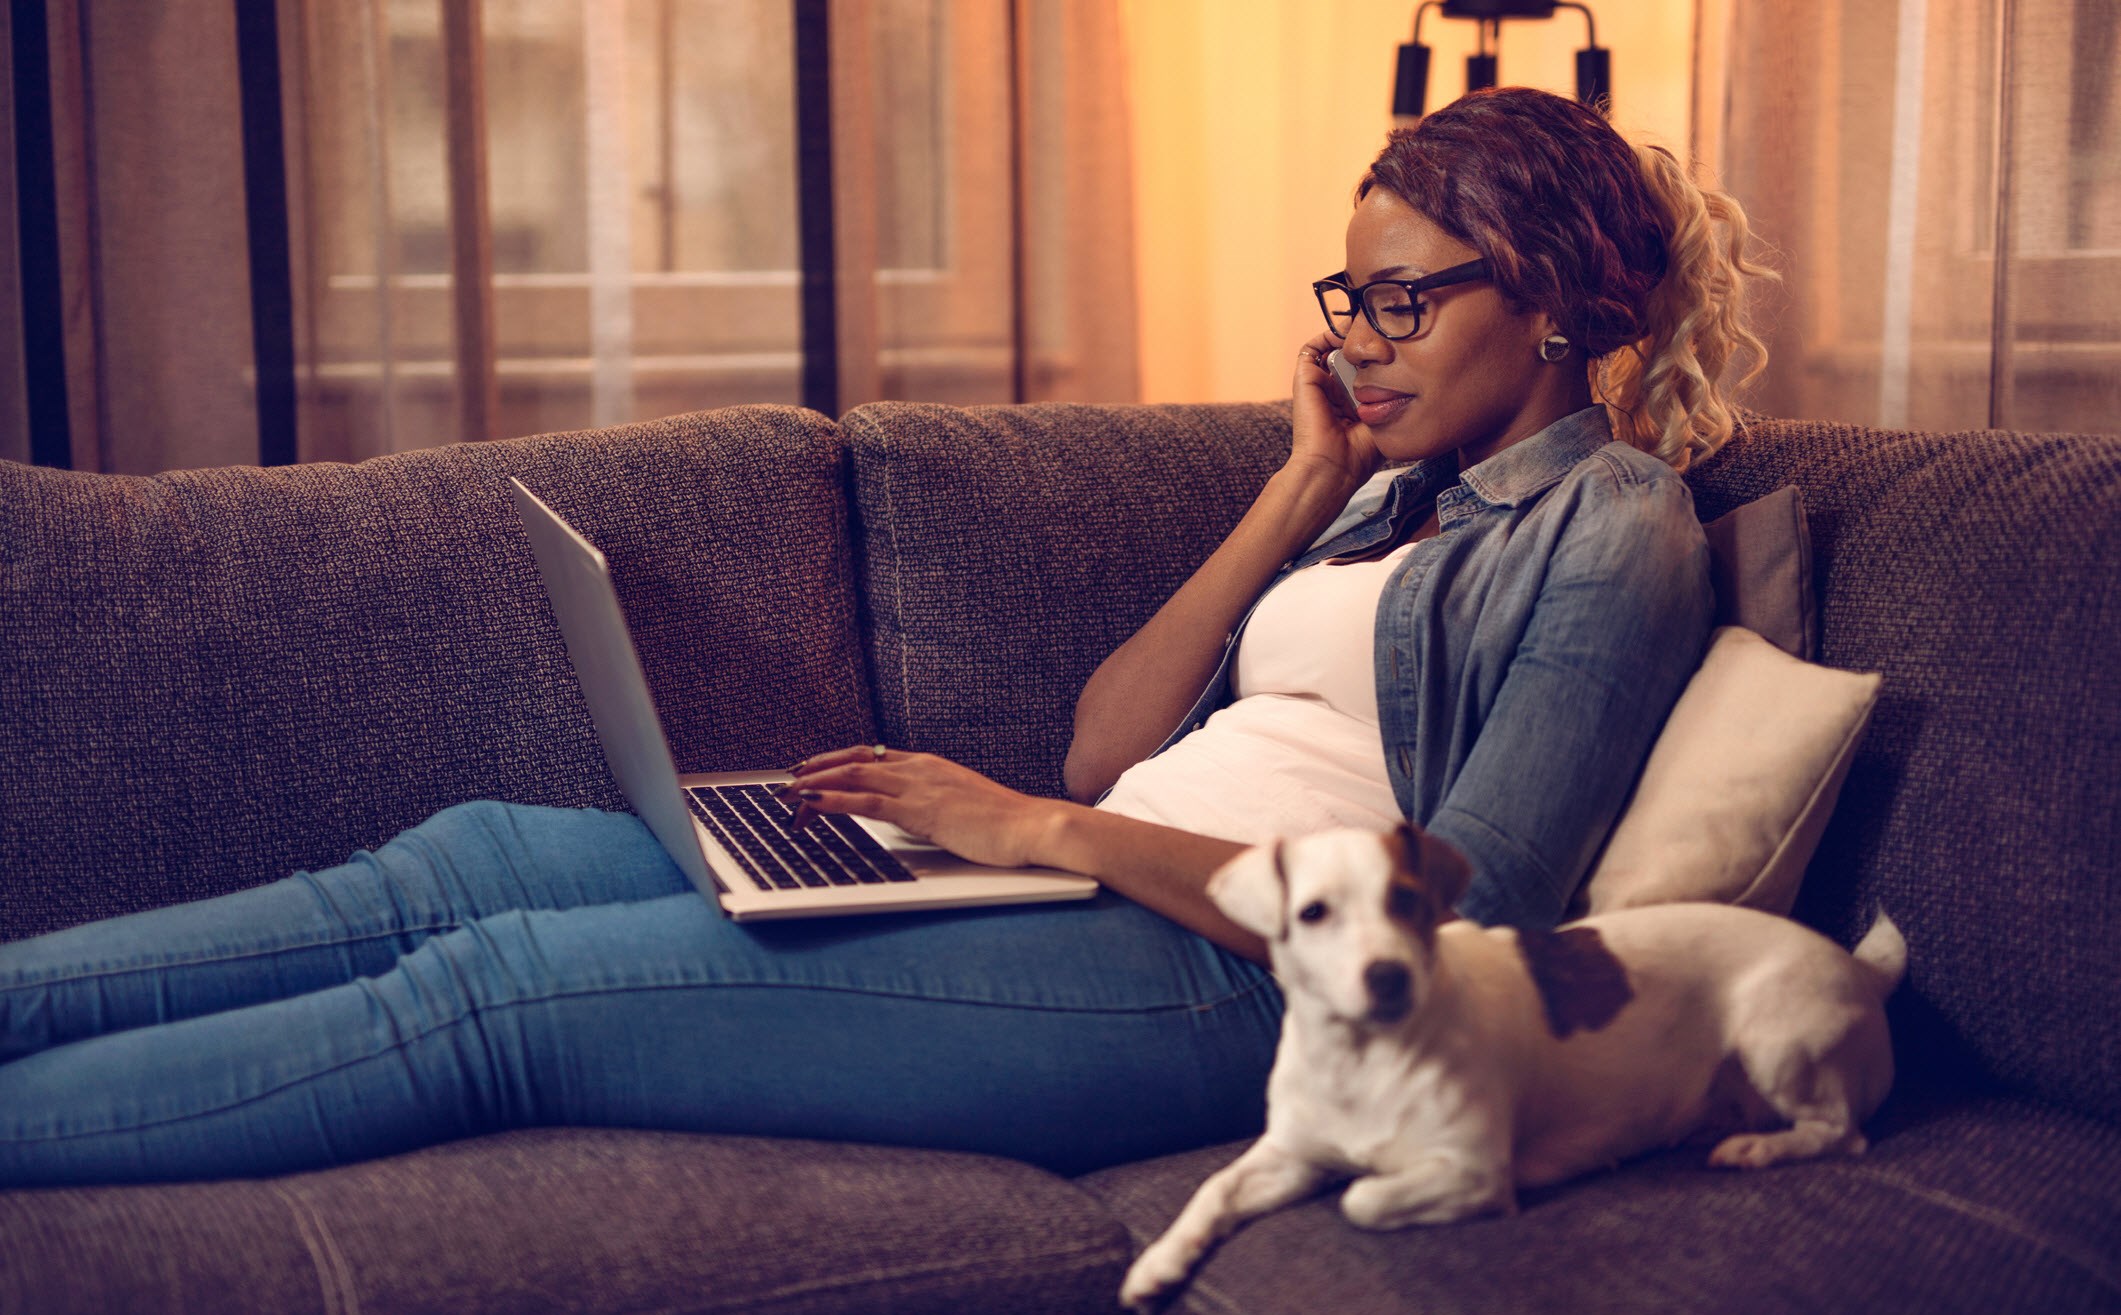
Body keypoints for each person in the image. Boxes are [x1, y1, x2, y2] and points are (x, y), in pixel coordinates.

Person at [0, 88, 1770, 1187]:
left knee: (501, 1001)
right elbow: (1106, 745)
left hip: (1244, 992)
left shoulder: (1608, 523)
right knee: (457, 867)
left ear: (1544, 304)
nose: (1361, 339)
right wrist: (1298, 488)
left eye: (1404, 298)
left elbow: (1490, 910)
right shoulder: (1387, 497)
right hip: (1089, 881)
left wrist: (1039, 836)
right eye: (1346, 299)